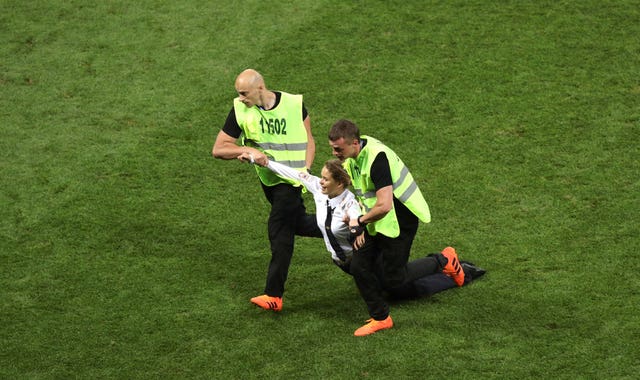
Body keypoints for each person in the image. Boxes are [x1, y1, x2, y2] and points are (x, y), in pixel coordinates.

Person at [239, 153, 485, 320]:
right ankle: (451, 266)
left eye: (326, 178)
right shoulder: (319, 190)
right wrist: (261, 161)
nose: (320, 181)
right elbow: (293, 174)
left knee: (401, 286)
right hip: (346, 263)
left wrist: (357, 228)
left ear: (339, 184)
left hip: (363, 261)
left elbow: (362, 221)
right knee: (397, 290)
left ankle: (445, 261)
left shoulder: (351, 206)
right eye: (321, 177)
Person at [328, 119, 468, 336]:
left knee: (395, 279)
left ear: (354, 142)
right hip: (378, 219)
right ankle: (381, 318)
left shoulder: (377, 159)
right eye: (333, 148)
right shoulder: (354, 156)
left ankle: (444, 260)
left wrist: (359, 222)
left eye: (338, 148)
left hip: (400, 219)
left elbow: (384, 204)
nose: (335, 152)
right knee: (359, 266)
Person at [212, 69, 322, 312]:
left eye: (244, 93)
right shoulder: (241, 109)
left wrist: (305, 170)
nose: (241, 98)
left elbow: (309, 139)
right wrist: (248, 151)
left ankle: (274, 295)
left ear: (260, 88)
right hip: (270, 182)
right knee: (300, 224)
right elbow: (219, 149)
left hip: (291, 181)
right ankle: (344, 228)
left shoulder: (294, 104)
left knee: (279, 230)